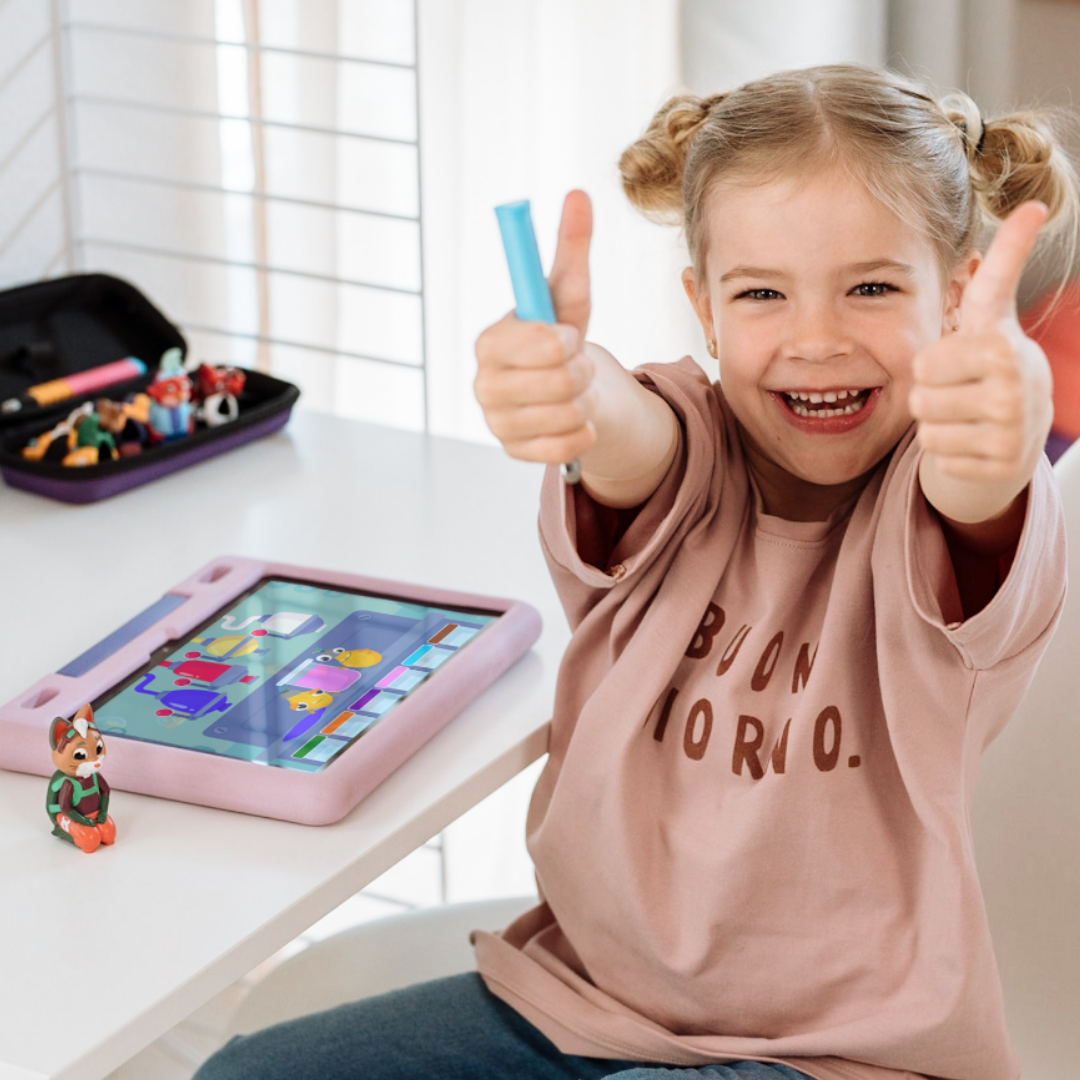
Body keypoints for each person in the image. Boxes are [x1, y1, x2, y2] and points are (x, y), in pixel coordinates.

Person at [194, 64, 1079, 1080]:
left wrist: (999, 439)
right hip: (582, 1003)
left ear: (959, 293)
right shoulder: (688, 446)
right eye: (762, 293)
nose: (817, 338)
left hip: (846, 1060)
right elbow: (627, 434)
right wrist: (573, 393)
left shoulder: (942, 493)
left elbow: (975, 492)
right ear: (704, 309)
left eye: (873, 288)